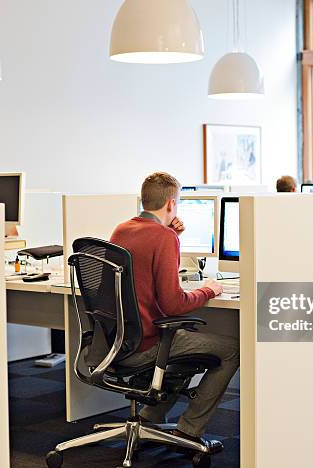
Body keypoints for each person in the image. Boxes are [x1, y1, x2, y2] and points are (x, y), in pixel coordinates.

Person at [110, 172, 239, 452]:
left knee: (183, 336)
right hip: (147, 342)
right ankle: (189, 430)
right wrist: (209, 290)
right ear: (171, 204)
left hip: (120, 342)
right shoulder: (163, 237)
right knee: (232, 349)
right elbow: (173, 304)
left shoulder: (121, 230)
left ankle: (150, 418)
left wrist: (172, 236)